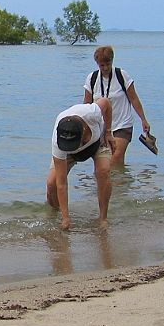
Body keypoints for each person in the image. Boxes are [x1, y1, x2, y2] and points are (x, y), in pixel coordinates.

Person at [46, 98, 114, 231]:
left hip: (97, 141)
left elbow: (106, 102)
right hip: (68, 153)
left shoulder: (91, 113)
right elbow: (62, 183)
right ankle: (56, 214)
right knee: (52, 183)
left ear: (83, 130)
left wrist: (108, 131)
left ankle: (103, 218)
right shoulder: (58, 141)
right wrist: (66, 217)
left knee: (103, 170)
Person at [83, 45, 151, 166]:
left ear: (112, 61)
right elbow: (87, 104)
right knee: (104, 162)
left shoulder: (122, 76)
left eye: (108, 64)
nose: (105, 68)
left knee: (116, 157)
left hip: (122, 124)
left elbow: (134, 99)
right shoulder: (92, 78)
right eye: (101, 65)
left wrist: (143, 119)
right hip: (101, 127)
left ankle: (120, 183)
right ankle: (115, 183)